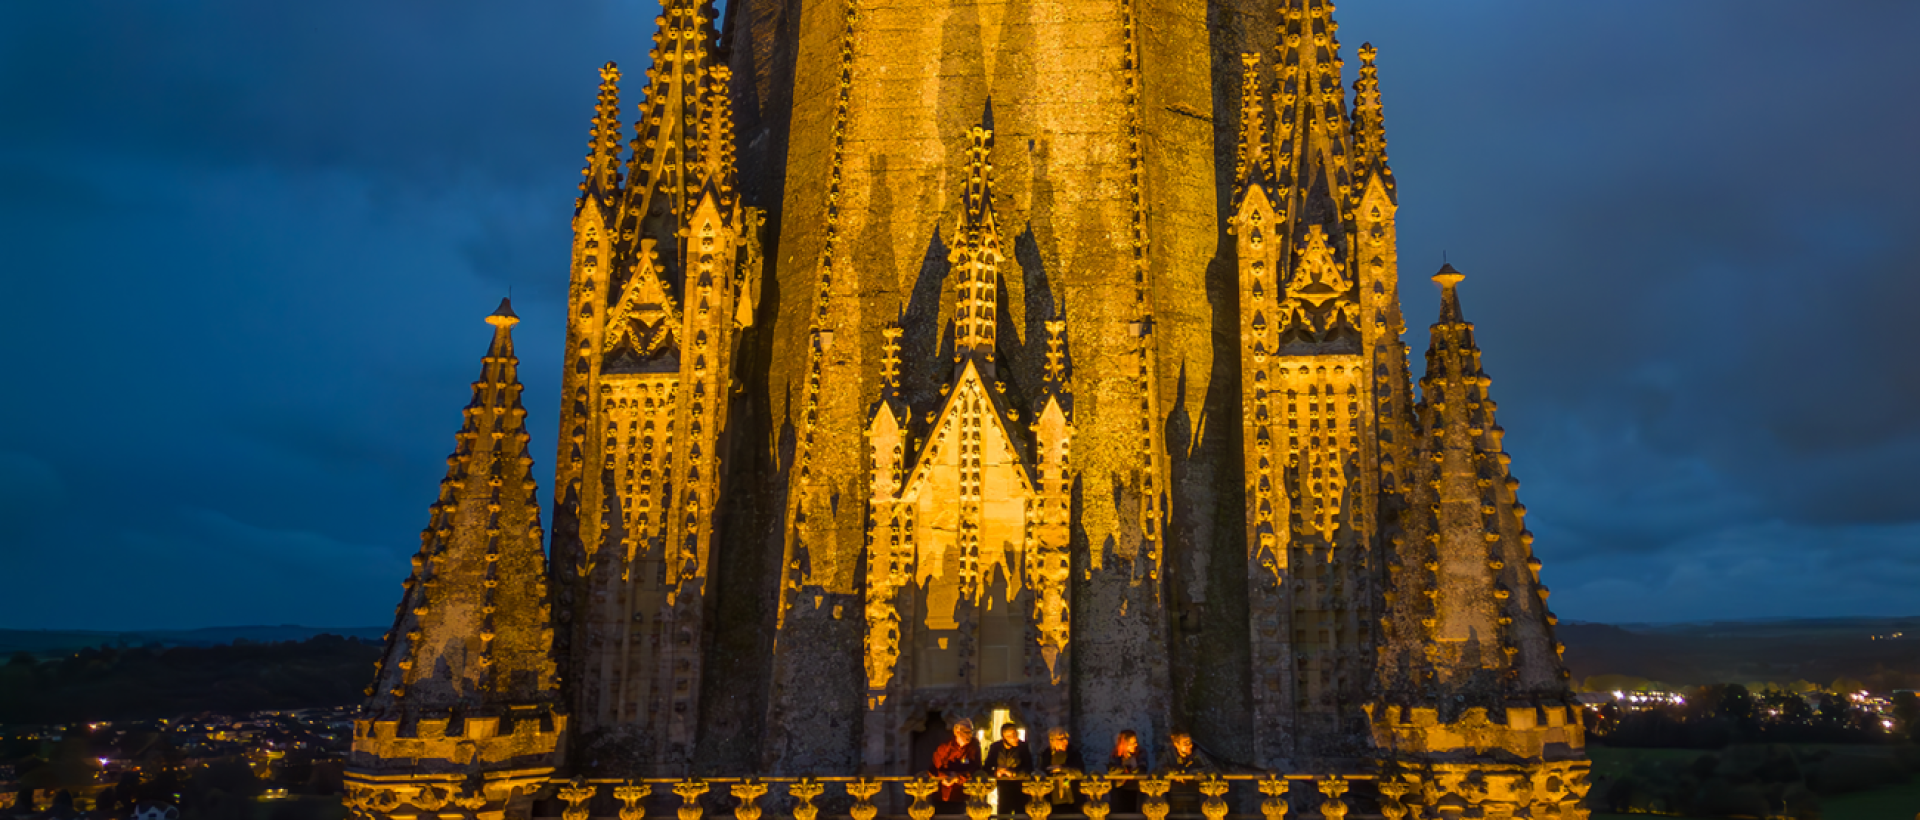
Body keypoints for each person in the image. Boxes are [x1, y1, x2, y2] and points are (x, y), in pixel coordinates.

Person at [1153, 732, 1216, 816]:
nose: (1190, 746)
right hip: (1174, 795)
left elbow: (1210, 768)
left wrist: (1194, 773)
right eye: (1186, 743)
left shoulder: (1196, 754)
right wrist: (1172, 773)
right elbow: (1158, 768)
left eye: (1190, 742)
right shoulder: (1170, 754)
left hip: (1195, 793)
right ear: (1177, 745)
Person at [931, 719, 982, 814]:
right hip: (942, 794)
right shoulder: (945, 747)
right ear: (957, 732)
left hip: (962, 794)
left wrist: (958, 778)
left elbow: (976, 767)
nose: (969, 735)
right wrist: (943, 777)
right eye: (966, 732)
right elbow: (934, 768)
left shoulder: (973, 746)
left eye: (971, 732)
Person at [986, 723, 1034, 816]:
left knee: (1020, 814)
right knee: (1004, 813)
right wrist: (996, 772)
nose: (1014, 738)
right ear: (1004, 737)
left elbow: (1029, 767)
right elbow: (987, 767)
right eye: (1011, 736)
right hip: (1003, 787)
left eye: (1015, 734)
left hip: (1020, 787)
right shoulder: (995, 748)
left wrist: (1014, 773)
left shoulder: (1023, 747)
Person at [1039, 727, 1085, 810]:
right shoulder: (1046, 754)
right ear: (1052, 740)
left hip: (1071, 796)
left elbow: (1080, 772)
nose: (1065, 741)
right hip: (1052, 796)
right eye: (1061, 739)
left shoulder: (1073, 753)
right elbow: (1042, 771)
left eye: (1066, 738)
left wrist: (1061, 768)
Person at [1108, 730, 1146, 814]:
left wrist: (1130, 770)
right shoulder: (1115, 755)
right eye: (1133, 743)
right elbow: (1112, 771)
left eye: (1136, 742)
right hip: (1120, 790)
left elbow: (1142, 769)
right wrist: (1124, 768)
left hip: (1136, 789)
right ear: (1124, 744)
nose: (1136, 745)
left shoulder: (1140, 753)